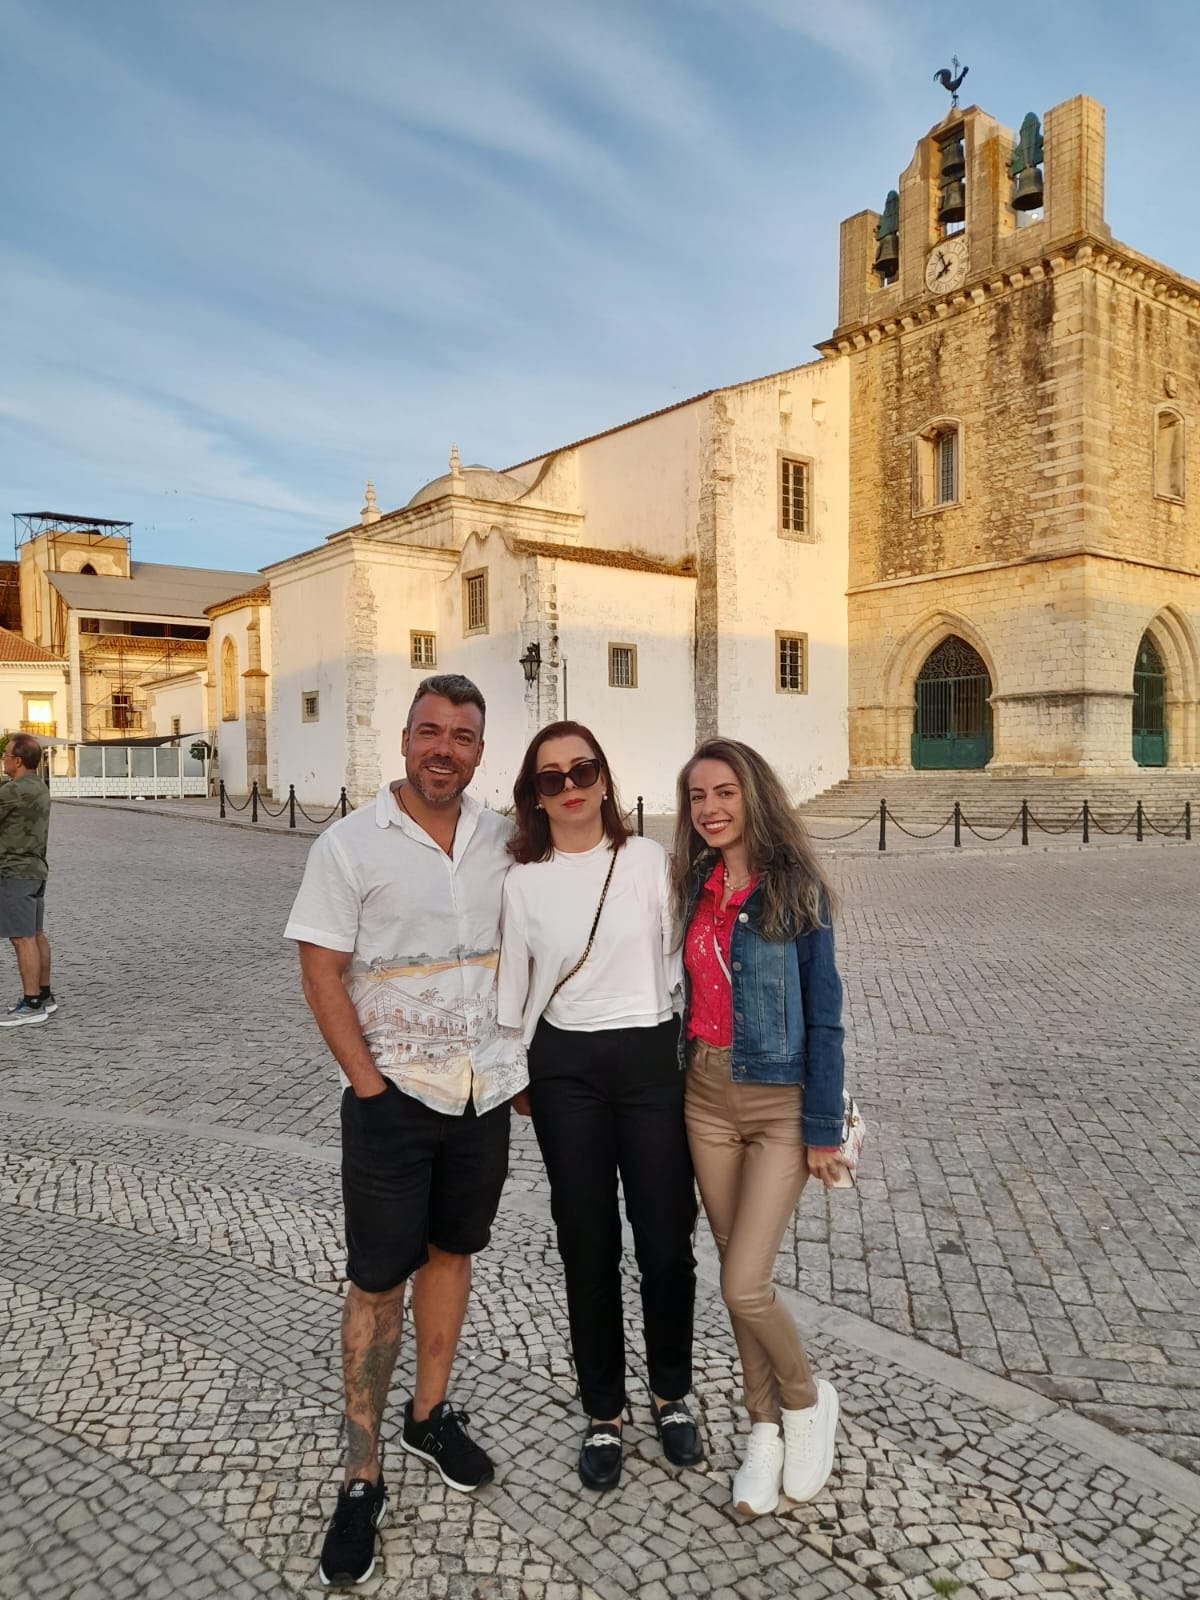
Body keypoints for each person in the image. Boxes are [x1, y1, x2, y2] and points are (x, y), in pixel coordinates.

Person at [286, 675, 526, 1588]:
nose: (444, 750)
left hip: (480, 1097)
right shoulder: (349, 844)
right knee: (378, 1280)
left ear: (479, 751)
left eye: (462, 737)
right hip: (393, 1100)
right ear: (404, 739)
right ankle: (362, 1472)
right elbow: (321, 974)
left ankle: (428, 1417)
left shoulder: (504, 840)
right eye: (430, 731)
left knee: (453, 1255)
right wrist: (370, 1088)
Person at [497, 720, 702, 1492]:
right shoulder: (523, 882)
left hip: (650, 1062)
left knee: (666, 1242)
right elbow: (512, 988)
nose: (570, 787)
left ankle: (671, 1395)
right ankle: (604, 1411)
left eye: (582, 770)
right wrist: (518, 1075)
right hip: (567, 1072)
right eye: (551, 778)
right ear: (535, 797)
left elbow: (681, 959)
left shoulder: (646, 860)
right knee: (586, 1242)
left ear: (605, 778)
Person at [671, 738, 845, 1517]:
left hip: (778, 1103)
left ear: (753, 795)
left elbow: (827, 1016)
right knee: (736, 1283)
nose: (710, 809)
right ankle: (763, 1430)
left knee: (745, 1281)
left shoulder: (796, 889)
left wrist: (822, 1126)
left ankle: (805, 1403)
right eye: (697, 796)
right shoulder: (693, 885)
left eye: (724, 793)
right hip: (704, 1098)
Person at [0, 734, 56, 1028]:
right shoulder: (39, 786)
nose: (4, 760)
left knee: (22, 938)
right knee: (35, 934)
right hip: (35, 868)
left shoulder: (14, 790)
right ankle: (44, 995)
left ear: (18, 761)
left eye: (6, 755)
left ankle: (32, 1003)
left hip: (16, 870)